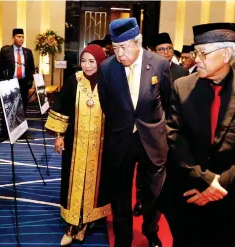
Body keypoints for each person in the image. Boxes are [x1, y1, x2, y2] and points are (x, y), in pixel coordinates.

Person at [98, 18, 171, 247]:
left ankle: (150, 231)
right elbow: (106, 104)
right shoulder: (107, 68)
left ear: (137, 42)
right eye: (115, 48)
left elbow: (167, 102)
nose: (119, 54)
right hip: (121, 140)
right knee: (119, 195)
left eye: (124, 47)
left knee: (152, 192)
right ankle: (123, 239)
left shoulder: (159, 64)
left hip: (152, 139)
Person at [164, 22, 235, 247]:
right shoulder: (182, 86)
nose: (197, 59)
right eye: (196, 52)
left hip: (229, 195)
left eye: (203, 53)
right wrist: (204, 179)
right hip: (189, 189)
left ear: (226, 54)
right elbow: (174, 137)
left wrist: (220, 184)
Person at [45, 44, 111, 246]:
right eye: (84, 61)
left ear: (100, 61)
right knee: (74, 183)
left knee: (97, 184)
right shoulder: (74, 81)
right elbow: (62, 108)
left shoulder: (109, 81)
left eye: (92, 61)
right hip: (75, 145)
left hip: (102, 146)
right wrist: (59, 135)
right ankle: (73, 224)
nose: (87, 65)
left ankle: (87, 220)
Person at [0, 28, 35, 141]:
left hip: (23, 84)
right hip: (9, 83)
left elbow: (31, 68)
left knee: (22, 109)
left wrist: (29, 81)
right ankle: (4, 133)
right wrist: (2, 81)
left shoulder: (28, 52)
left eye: (22, 37)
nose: (21, 39)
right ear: (13, 38)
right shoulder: (5, 50)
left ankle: (22, 133)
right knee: (7, 108)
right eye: (18, 36)